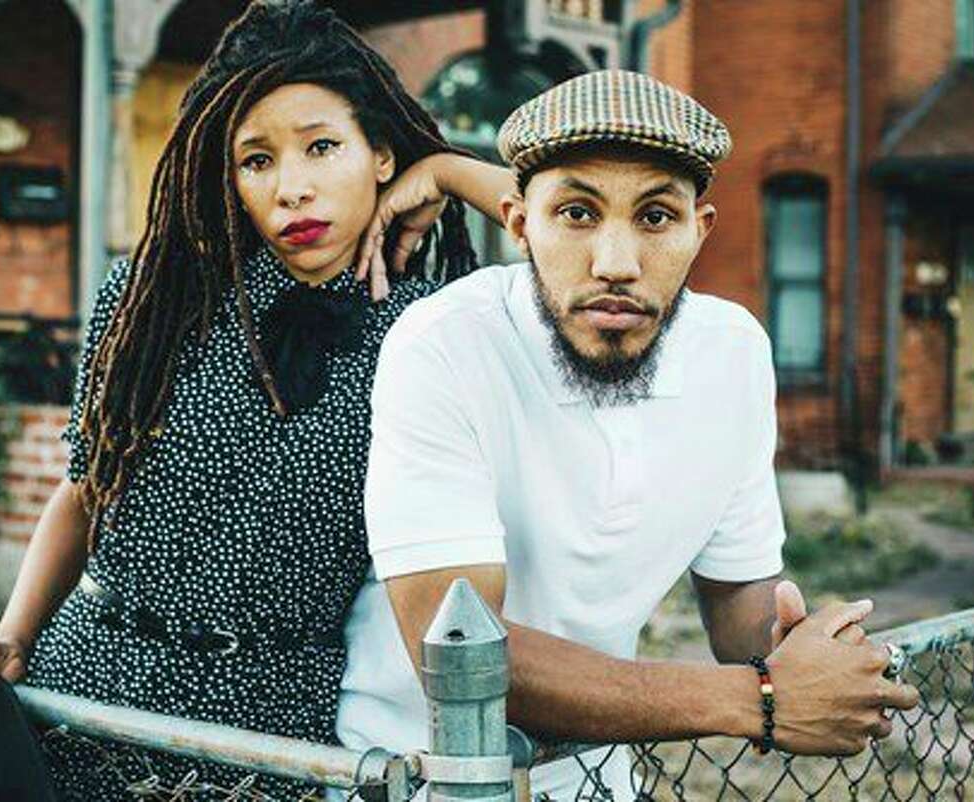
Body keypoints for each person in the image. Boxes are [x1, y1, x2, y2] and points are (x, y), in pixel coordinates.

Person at [0, 3, 482, 799]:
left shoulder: (430, 333)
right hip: (92, 700)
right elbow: (85, 490)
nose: (292, 188)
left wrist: (454, 172)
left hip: (274, 728)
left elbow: (587, 264)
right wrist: (12, 636)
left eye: (323, 146)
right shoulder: (153, 305)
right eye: (256, 161)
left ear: (382, 154)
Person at [335, 70, 921, 800]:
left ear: (699, 229)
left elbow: (740, 607)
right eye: (577, 214)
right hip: (414, 776)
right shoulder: (445, 344)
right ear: (520, 225)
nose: (616, 264)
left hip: (592, 776)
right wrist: (761, 701)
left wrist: (798, 652)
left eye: (654, 218)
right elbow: (457, 654)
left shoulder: (733, 352)